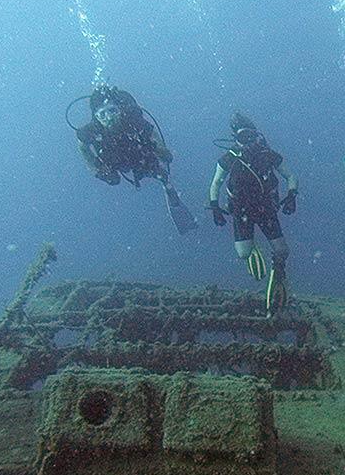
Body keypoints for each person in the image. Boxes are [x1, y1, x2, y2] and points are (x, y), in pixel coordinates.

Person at [72, 85, 196, 234]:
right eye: (102, 114)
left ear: (120, 109)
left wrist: (155, 148)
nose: (109, 118)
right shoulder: (90, 131)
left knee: (162, 175)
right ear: (96, 117)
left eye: (112, 111)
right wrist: (97, 171)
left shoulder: (134, 120)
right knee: (114, 180)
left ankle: (173, 197)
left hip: (139, 155)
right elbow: (83, 147)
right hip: (114, 160)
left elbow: (163, 150)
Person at [209, 112, 298, 316]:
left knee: (282, 251)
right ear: (236, 139)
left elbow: (290, 175)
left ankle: (279, 272)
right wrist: (214, 206)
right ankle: (252, 247)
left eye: (250, 136)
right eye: (242, 138)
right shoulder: (229, 158)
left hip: (266, 209)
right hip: (241, 211)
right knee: (243, 254)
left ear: (256, 136)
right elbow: (216, 183)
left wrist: (292, 194)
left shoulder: (268, 154)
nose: (248, 142)